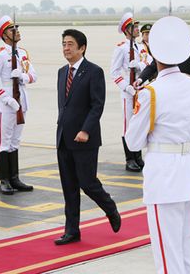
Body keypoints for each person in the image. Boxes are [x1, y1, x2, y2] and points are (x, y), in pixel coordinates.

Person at [125, 16, 190, 273]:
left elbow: (133, 140)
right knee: (188, 247)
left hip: (163, 174)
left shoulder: (152, 92)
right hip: (188, 172)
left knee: (167, 253)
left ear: (153, 54)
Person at [55, 29, 121, 245]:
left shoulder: (94, 71)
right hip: (64, 138)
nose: (66, 48)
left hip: (85, 139)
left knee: (88, 183)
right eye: (64, 44)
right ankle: (72, 230)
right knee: (69, 187)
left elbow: (97, 105)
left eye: (70, 44)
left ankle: (109, 207)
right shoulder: (61, 72)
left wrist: (85, 130)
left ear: (82, 48)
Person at [0, 15, 36, 195]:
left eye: (17, 29)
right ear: (4, 35)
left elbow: (33, 75)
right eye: (12, 30)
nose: (17, 32)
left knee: (15, 141)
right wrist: (7, 100)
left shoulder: (22, 53)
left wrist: (22, 76)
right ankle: (4, 180)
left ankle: (14, 178)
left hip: (22, 99)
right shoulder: (0, 54)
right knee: (4, 142)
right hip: (7, 102)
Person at [110, 13, 148, 172]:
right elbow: (114, 72)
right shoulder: (121, 48)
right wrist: (126, 87)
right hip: (128, 92)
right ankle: (130, 158)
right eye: (134, 27)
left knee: (139, 123)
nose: (138, 29)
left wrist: (138, 65)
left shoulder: (142, 46)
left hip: (141, 89)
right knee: (129, 125)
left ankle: (138, 155)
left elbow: (149, 63)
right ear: (127, 30)